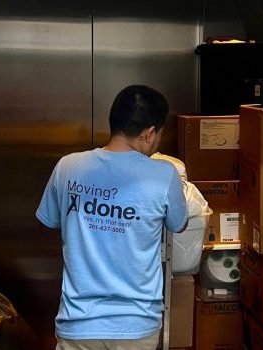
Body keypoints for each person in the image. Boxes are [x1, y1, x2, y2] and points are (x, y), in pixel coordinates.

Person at [36, 85, 189, 349]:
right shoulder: (164, 175)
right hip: (137, 326)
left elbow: (49, 220)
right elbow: (179, 223)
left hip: (78, 323)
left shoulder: (68, 166)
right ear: (149, 133)